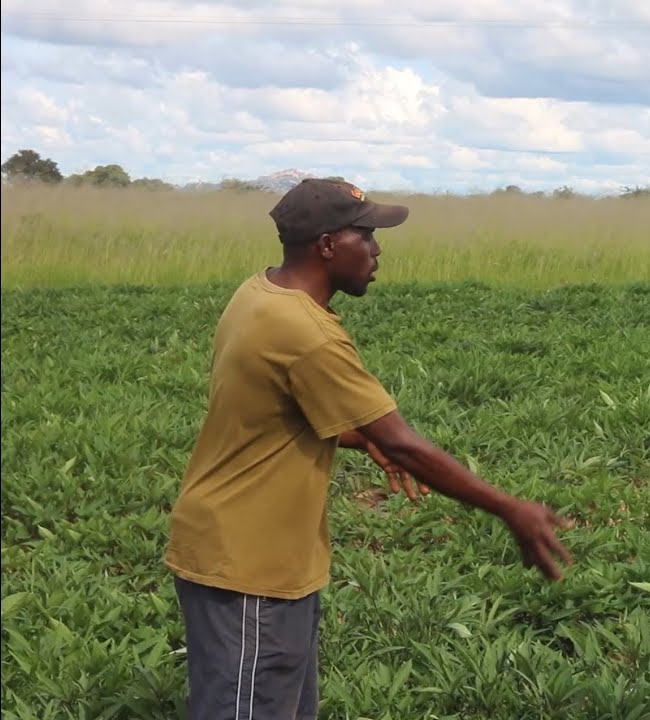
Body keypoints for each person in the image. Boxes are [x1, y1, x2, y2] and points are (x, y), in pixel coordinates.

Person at [163, 178, 572, 720]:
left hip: (254, 556)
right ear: (328, 245)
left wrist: (353, 434)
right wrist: (510, 508)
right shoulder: (308, 332)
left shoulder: (259, 294)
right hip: (248, 567)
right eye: (367, 235)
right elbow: (402, 444)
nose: (378, 250)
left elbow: (270, 406)